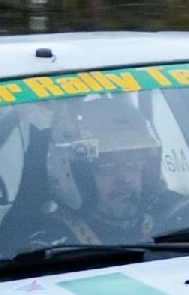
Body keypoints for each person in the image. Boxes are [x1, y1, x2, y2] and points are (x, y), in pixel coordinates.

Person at [27, 97, 164, 248]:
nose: (125, 179)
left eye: (132, 165)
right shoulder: (52, 247)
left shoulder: (170, 222)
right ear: (70, 174)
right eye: (106, 167)